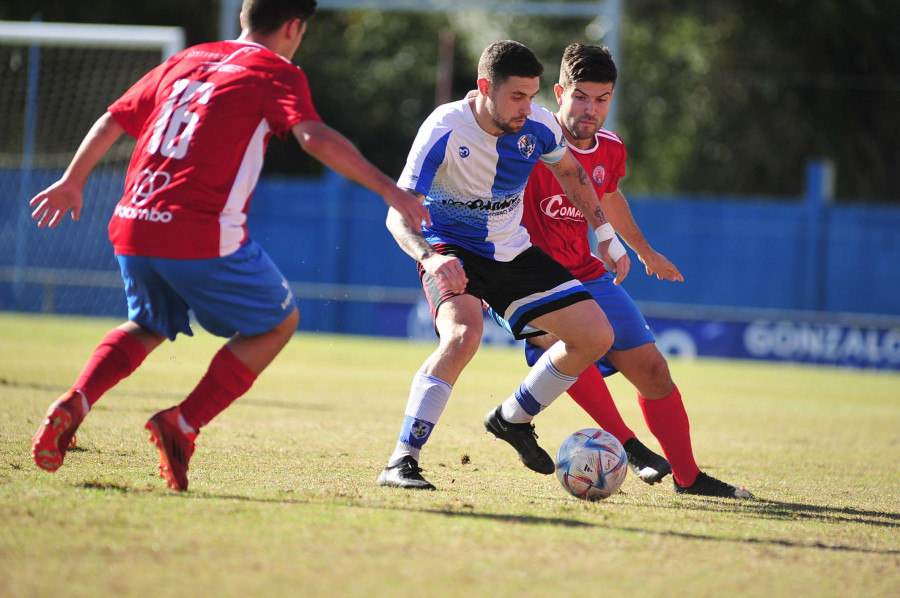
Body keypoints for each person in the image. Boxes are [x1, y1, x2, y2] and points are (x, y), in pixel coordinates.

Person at [29, 0, 428, 492]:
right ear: (294, 26)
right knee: (279, 322)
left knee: (150, 322)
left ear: (244, 17)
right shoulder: (275, 71)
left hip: (132, 221)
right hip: (198, 231)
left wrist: (73, 181)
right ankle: (182, 423)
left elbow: (114, 118)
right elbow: (313, 136)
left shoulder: (189, 58)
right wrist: (389, 189)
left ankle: (77, 400)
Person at [492, 43, 753, 498]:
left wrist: (642, 249)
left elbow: (607, 195)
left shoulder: (609, 147)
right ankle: (629, 447)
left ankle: (689, 480)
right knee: (568, 341)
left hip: (586, 272)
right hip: (520, 276)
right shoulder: (526, 137)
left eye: (602, 98)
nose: (591, 110)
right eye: (580, 97)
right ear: (558, 92)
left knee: (653, 371)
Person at [377, 40, 631, 491]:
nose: (528, 107)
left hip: (512, 251)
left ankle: (512, 418)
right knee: (462, 336)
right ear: (483, 88)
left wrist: (606, 235)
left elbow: (571, 173)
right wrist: (432, 259)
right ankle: (402, 459)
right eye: (517, 96)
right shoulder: (444, 127)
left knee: (596, 336)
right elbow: (398, 214)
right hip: (450, 248)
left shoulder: (536, 125)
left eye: (533, 96)